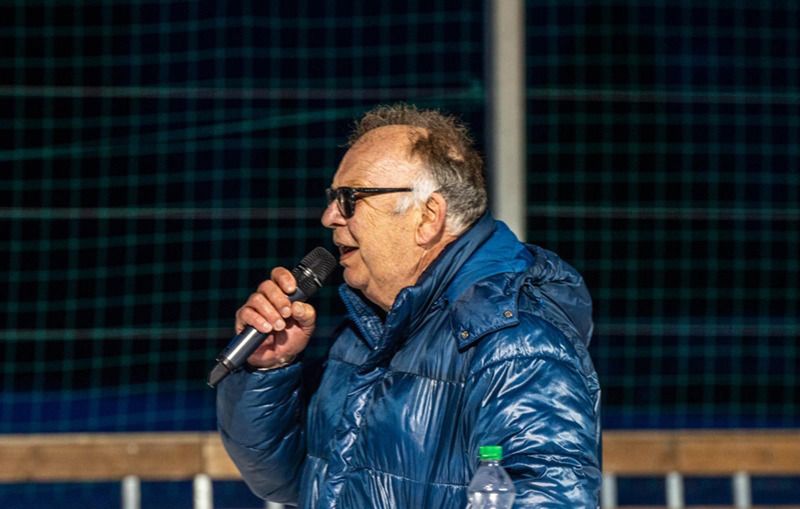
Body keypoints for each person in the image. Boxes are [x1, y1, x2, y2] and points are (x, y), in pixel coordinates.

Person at [216, 104, 601, 508]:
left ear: (428, 216)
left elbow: (548, 497)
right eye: (332, 198)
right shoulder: (368, 331)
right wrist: (268, 369)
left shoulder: (514, 342)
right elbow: (285, 479)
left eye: (350, 198)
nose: (329, 217)